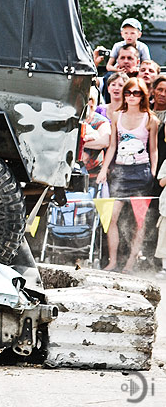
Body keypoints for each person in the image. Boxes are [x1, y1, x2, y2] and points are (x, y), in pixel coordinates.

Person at [97, 77, 158, 272]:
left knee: (139, 221)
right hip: (121, 172)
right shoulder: (117, 116)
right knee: (112, 216)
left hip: (141, 172)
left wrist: (153, 172)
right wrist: (104, 169)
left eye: (136, 93)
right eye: (128, 92)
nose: (131, 96)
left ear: (143, 96)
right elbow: (112, 146)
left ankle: (131, 262)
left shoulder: (151, 119)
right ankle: (113, 261)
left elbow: (153, 149)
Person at [80, 86, 110, 178]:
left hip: (94, 172)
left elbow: (104, 142)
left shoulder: (101, 121)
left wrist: (79, 144)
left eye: (88, 99)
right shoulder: (71, 117)